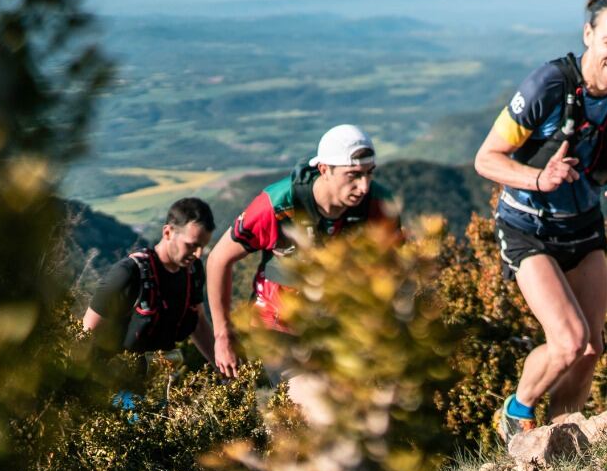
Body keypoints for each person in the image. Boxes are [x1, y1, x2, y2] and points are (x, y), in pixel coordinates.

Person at [473, 0, 607, 440]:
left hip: (584, 226)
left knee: (591, 348)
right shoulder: (549, 86)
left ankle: (561, 437)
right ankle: (517, 412)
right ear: (588, 35)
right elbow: (486, 159)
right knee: (569, 340)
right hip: (527, 225)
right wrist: (539, 178)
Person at [204, 124, 400, 376]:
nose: (363, 186)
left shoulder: (379, 205)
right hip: (278, 325)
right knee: (307, 396)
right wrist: (222, 335)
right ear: (324, 169)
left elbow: (393, 269)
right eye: (353, 175)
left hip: (342, 328)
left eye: (369, 173)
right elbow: (219, 259)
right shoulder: (278, 205)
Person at [82, 197, 217, 360]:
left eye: (202, 246)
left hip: (163, 372)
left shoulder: (193, 271)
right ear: (168, 232)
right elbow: (86, 335)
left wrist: (225, 369)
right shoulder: (128, 274)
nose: (198, 254)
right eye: (191, 245)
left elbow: (199, 323)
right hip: (118, 372)